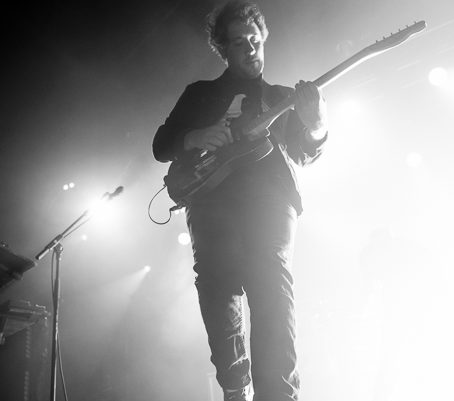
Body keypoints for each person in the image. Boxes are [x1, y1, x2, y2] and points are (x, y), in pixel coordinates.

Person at [152, 1, 328, 400]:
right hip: (209, 197)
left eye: (255, 39)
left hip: (271, 197)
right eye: (239, 42)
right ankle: (235, 386)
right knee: (217, 285)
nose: (251, 48)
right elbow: (161, 145)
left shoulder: (282, 97)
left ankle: (278, 394)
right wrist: (195, 136)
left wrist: (317, 125)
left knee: (272, 284)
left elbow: (305, 152)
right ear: (224, 49)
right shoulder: (200, 94)